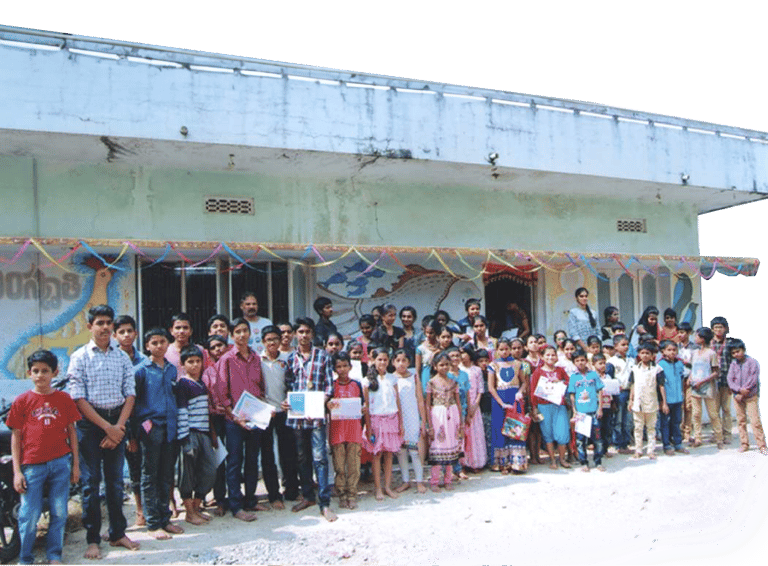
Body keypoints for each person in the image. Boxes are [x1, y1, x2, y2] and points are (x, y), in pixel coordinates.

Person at [68, 304, 140, 559]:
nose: (105, 327)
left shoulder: (121, 357)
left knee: (115, 482)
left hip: (117, 421)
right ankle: (93, 539)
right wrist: (107, 428)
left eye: (109, 322)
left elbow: (130, 393)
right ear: (90, 326)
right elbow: (78, 398)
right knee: (91, 484)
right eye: (100, 323)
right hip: (91, 425)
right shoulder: (79, 357)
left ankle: (118, 532)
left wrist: (118, 428)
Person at [9, 350, 81, 565]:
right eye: (36, 371)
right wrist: (17, 472)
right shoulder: (22, 401)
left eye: (45, 371)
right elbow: (16, 437)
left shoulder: (64, 399)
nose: (40, 375)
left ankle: (54, 555)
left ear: (55, 372)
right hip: (32, 465)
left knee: (59, 512)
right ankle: (25, 558)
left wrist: (75, 465)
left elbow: (72, 432)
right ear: (29, 373)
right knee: (29, 515)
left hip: (60, 463)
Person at [283, 317, 337, 522]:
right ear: (295, 335)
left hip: (316, 412)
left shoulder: (322, 356)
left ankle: (325, 503)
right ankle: (308, 496)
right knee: (302, 457)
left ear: (313, 334)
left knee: (320, 457)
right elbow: (289, 384)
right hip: (298, 413)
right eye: (300, 332)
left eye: (307, 332)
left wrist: (321, 401)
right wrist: (288, 402)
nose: (304, 335)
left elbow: (329, 385)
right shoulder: (291, 358)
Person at [134, 328, 184, 539]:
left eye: (162, 342)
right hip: (151, 428)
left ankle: (165, 519)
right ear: (147, 346)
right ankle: (153, 524)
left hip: (170, 428)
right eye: (154, 343)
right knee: (149, 476)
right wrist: (138, 430)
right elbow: (133, 402)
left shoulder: (172, 369)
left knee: (166, 475)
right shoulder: (141, 371)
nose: (159, 346)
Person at [213, 318, 265, 521]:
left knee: (252, 459)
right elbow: (221, 390)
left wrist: (263, 411)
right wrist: (234, 417)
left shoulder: (256, 358)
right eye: (238, 332)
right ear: (232, 335)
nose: (242, 335)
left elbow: (260, 387)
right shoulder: (226, 359)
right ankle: (236, 506)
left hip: (254, 417)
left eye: (245, 330)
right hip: (234, 420)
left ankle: (251, 499)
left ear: (250, 333)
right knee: (234, 461)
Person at [176, 346, 218, 525]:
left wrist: (211, 434)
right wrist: (185, 439)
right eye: (190, 362)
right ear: (183, 364)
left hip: (204, 433)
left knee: (209, 470)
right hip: (190, 433)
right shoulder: (183, 384)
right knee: (187, 473)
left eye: (198, 361)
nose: (194, 365)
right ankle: (189, 512)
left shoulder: (201, 384)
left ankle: (196, 505)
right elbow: (182, 412)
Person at [259, 325, 300, 508]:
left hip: (284, 411)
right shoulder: (257, 360)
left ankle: (291, 491)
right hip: (265, 413)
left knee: (288, 453)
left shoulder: (287, 359)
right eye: (269, 339)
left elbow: (293, 383)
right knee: (268, 455)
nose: (272, 342)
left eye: (275, 338)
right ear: (263, 342)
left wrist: (288, 399)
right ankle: (274, 495)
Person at [113, 315, 147, 527]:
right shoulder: (112, 360)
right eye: (121, 332)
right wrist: (126, 433)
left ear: (136, 333)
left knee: (145, 467)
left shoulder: (144, 361)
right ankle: (137, 512)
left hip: (142, 422)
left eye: (129, 331)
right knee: (127, 470)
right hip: (119, 423)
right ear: (115, 335)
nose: (126, 335)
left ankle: (150, 509)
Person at [362, 348, 403, 501]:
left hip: (391, 418)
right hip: (375, 420)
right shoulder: (367, 381)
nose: (382, 362)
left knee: (389, 454)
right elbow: (366, 407)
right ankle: (378, 488)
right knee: (377, 454)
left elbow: (397, 402)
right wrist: (368, 427)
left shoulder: (393, 379)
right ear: (373, 360)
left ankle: (387, 487)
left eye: (385, 359)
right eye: (379, 359)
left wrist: (401, 423)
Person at [327, 352, 365, 509]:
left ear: (350, 366)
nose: (342, 369)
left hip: (354, 430)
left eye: (345, 366)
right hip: (337, 431)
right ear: (334, 369)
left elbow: (362, 404)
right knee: (339, 467)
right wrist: (328, 405)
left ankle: (352, 494)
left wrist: (363, 409)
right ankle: (342, 494)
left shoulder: (356, 384)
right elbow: (325, 406)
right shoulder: (331, 386)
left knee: (354, 466)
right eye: (339, 366)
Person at [488, 339, 529, 473]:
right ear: (497, 350)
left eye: (507, 349)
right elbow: (491, 387)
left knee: (515, 428)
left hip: (514, 399)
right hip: (499, 400)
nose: (504, 352)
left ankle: (517, 463)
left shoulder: (518, 364)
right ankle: (502, 464)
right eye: (501, 349)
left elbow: (524, 382)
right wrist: (501, 403)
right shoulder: (493, 365)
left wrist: (520, 392)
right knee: (500, 429)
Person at [201, 335, 230, 517]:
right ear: (208, 352)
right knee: (219, 460)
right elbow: (206, 404)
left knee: (235, 459)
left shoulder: (234, 366)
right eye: (213, 347)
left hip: (235, 418)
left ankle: (236, 496)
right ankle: (219, 499)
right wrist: (212, 429)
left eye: (221, 345)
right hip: (216, 419)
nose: (218, 349)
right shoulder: (207, 374)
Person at [426, 352, 463, 491]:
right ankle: (434, 481)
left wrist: (461, 422)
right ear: (435, 366)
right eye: (441, 365)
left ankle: (448, 479)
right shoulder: (431, 382)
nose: (444, 367)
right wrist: (430, 425)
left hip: (452, 415)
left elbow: (458, 403)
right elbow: (427, 405)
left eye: (447, 364)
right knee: (438, 446)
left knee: (451, 446)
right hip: (438, 416)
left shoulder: (453, 382)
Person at [393, 349, 428, 493]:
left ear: (409, 362)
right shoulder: (391, 378)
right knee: (401, 451)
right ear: (393, 362)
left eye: (404, 360)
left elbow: (420, 400)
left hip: (412, 418)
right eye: (398, 360)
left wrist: (423, 421)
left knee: (414, 451)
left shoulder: (414, 377)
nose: (401, 363)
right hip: (397, 420)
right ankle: (405, 481)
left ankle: (419, 481)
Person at [530, 346, 571, 469]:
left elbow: (569, 382)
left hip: (559, 405)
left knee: (562, 432)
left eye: (553, 355)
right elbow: (533, 391)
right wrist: (534, 408)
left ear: (557, 357)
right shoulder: (538, 372)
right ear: (542, 357)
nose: (550, 357)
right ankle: (553, 460)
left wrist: (560, 383)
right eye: (547, 355)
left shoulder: (560, 370)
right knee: (547, 433)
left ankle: (562, 459)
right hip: (544, 406)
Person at [726, 339, 767, 454]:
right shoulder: (733, 364)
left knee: (755, 421)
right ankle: (744, 443)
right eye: (733, 353)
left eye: (738, 351)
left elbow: (753, 379)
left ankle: (762, 445)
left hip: (750, 396)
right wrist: (738, 391)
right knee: (741, 421)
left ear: (743, 350)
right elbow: (730, 379)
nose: (736, 354)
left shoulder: (752, 362)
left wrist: (744, 391)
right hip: (737, 397)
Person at [628, 343, 667, 460]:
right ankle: (638, 450)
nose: (644, 355)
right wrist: (631, 400)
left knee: (651, 428)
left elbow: (661, 386)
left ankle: (651, 450)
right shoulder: (635, 369)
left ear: (652, 355)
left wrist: (664, 402)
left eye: (647, 353)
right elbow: (633, 385)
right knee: (638, 427)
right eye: (642, 353)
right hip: (637, 402)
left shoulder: (657, 369)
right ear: (639, 354)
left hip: (651, 402)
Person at [567, 349, 605, 472]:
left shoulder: (593, 375)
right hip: (581, 413)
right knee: (581, 440)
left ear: (586, 360)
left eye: (582, 360)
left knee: (597, 439)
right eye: (577, 360)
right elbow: (572, 395)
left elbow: (600, 391)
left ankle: (598, 461)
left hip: (593, 411)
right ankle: (584, 462)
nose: (580, 362)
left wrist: (600, 408)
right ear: (574, 362)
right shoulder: (573, 377)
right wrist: (574, 411)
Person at [689, 327, 724, 449]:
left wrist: (702, 381)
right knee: (696, 414)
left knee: (713, 414)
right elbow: (692, 369)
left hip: (708, 388)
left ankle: (719, 438)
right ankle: (698, 438)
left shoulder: (711, 353)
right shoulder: (694, 353)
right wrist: (690, 378)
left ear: (703, 339)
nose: (695, 338)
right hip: (695, 387)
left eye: (697, 336)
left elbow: (716, 372)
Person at [458, 347, 487, 473]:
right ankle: (463, 463)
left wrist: (475, 405)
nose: (462, 356)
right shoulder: (458, 369)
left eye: (464, 353)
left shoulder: (476, 370)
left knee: (475, 435)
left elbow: (480, 389)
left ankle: (476, 463)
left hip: (475, 406)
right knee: (463, 435)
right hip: (462, 406)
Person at [657, 340, 687, 455]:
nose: (672, 352)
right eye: (669, 350)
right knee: (665, 423)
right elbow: (660, 385)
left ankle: (678, 443)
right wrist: (663, 402)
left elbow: (682, 379)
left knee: (676, 422)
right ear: (663, 351)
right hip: (667, 400)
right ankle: (666, 445)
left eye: (674, 350)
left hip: (678, 399)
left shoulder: (679, 364)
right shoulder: (660, 365)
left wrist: (682, 394)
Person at [710, 316, 734, 444]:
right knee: (714, 409)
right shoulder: (709, 343)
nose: (718, 329)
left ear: (725, 329)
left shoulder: (730, 344)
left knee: (726, 408)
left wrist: (734, 381)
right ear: (712, 329)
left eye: (721, 327)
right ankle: (717, 433)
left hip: (726, 379)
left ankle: (727, 433)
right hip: (712, 380)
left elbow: (734, 363)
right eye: (716, 327)